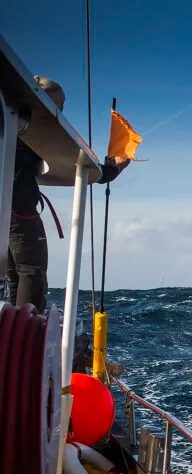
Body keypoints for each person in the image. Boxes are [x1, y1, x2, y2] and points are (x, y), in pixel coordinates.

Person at [7, 76, 130, 311]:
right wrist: (113, 169)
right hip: (19, 213)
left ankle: (12, 325)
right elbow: (77, 166)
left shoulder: (9, 124)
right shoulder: (33, 130)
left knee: (15, 272)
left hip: (6, 211)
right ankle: (27, 331)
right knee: (31, 269)